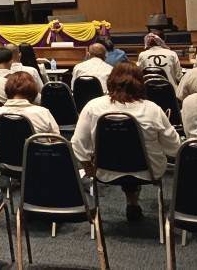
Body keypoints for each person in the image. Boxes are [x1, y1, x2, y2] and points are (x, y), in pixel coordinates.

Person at [71, 62, 180, 221]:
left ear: (110, 81)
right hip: (149, 171)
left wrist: (88, 166)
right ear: (140, 83)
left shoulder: (92, 106)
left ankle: (131, 202)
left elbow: (77, 143)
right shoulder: (153, 109)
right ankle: (133, 202)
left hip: (105, 171)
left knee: (120, 152)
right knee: (133, 153)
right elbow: (174, 148)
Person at [0, 72, 60, 143]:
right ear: (33, 91)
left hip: (5, 151)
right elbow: (56, 138)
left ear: (7, 89)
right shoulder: (43, 112)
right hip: (36, 150)